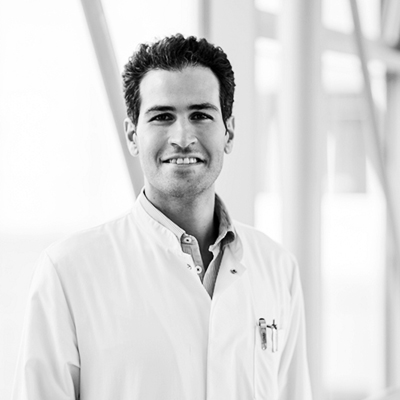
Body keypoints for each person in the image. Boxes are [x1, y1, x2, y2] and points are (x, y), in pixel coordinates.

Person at [12, 34, 312, 400]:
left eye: (200, 115)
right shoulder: (68, 271)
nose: (182, 137)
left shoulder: (277, 267)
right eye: (162, 116)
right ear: (132, 135)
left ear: (229, 132)